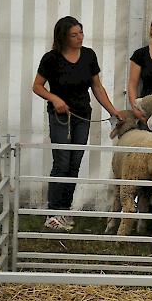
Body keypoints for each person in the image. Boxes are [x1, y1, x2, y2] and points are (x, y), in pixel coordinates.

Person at [33, 16, 124, 231]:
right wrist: (54, 99)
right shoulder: (51, 59)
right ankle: (53, 211)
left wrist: (113, 111)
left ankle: (65, 210)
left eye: (81, 33)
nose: (79, 38)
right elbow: (37, 86)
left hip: (83, 116)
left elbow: (97, 87)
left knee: (74, 164)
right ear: (63, 37)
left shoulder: (89, 56)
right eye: (74, 35)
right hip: (61, 117)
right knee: (61, 162)